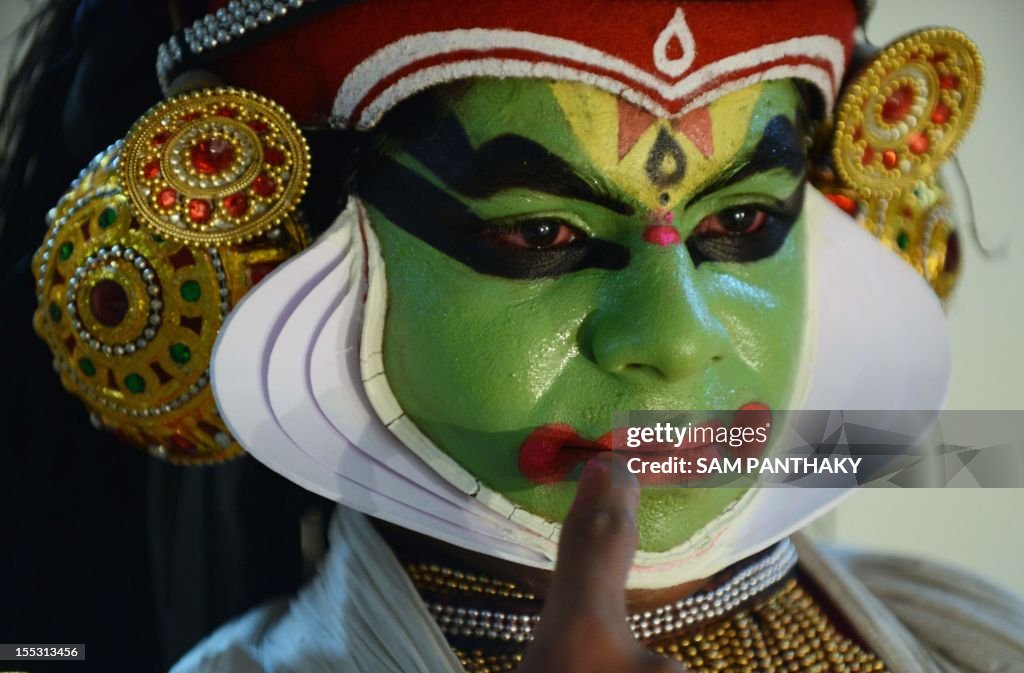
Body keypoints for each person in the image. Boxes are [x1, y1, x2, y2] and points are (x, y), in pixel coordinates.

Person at [14, 1, 1024, 672]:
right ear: (287, 265)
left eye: (742, 223)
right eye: (544, 233)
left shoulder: (976, 636)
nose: (674, 342)